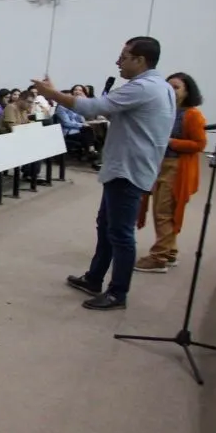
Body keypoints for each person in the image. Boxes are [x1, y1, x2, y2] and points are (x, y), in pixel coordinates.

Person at [32, 36, 176, 311]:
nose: (118, 62)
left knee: (120, 233)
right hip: (128, 166)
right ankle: (95, 278)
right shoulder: (161, 86)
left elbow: (93, 107)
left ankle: (118, 292)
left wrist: (52, 94)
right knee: (106, 226)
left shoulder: (143, 87)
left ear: (141, 60)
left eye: (124, 56)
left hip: (128, 169)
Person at [134, 73, 206, 274]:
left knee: (164, 213)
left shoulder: (192, 115)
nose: (170, 90)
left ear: (187, 92)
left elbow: (200, 144)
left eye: (176, 87)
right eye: (168, 86)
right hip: (159, 164)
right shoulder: (164, 110)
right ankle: (170, 251)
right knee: (162, 211)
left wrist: (169, 142)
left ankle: (159, 257)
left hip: (176, 167)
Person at [54, 86, 98, 165]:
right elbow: (66, 123)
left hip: (77, 130)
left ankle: (90, 151)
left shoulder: (73, 106)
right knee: (87, 132)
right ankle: (91, 151)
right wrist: (81, 124)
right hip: (68, 132)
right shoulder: (61, 107)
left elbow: (80, 118)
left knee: (89, 131)